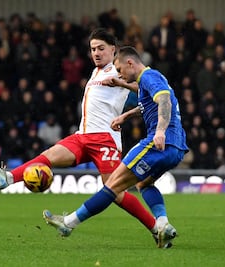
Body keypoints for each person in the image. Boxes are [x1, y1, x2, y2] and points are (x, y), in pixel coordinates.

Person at [0, 28, 165, 247]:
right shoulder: (96, 72)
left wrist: (121, 84)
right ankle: (8, 178)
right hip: (83, 136)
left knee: (115, 192)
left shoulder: (119, 69)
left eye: (101, 48)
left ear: (113, 50)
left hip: (105, 140)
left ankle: (156, 228)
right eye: (92, 49)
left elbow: (141, 85)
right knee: (48, 155)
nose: (96, 53)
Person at [43, 46, 189, 248]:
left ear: (130, 63)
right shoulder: (152, 79)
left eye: (120, 70)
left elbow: (164, 100)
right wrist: (125, 115)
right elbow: (149, 101)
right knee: (144, 184)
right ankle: (163, 226)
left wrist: (160, 131)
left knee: (112, 186)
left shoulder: (149, 76)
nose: (118, 73)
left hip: (160, 142)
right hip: (177, 148)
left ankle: (68, 223)